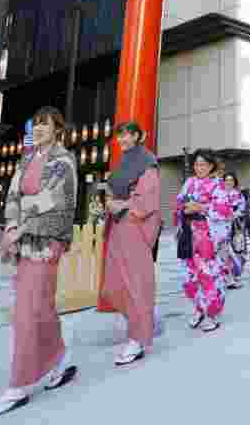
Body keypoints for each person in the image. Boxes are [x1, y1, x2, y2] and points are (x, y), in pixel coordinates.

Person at [0, 107, 79, 417]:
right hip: (24, 240)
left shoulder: (64, 160)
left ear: (58, 129)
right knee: (41, 307)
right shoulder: (26, 159)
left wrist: (20, 223)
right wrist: (11, 225)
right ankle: (58, 360)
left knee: (27, 310)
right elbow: (12, 194)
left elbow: (55, 199)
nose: (39, 129)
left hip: (46, 240)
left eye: (45, 124)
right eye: (35, 124)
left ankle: (19, 384)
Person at [101, 121, 161, 367]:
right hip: (118, 225)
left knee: (136, 282)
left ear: (138, 136)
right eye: (120, 135)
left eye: (128, 134)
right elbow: (113, 192)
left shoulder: (147, 161)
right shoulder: (124, 161)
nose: (123, 139)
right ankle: (143, 321)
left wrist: (122, 205)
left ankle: (137, 338)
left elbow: (148, 198)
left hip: (135, 226)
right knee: (115, 284)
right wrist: (109, 201)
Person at [175, 149, 233, 332]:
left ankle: (212, 313)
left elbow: (224, 210)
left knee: (208, 274)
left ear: (211, 166)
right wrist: (183, 208)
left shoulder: (218, 185)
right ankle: (199, 308)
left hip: (207, 235)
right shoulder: (189, 182)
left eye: (203, 164)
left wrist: (200, 207)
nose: (199, 168)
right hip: (188, 233)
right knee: (189, 276)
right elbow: (178, 203)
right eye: (197, 164)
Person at [222, 172, 247, 290]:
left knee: (238, 251)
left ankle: (236, 277)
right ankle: (229, 278)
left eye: (231, 180)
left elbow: (242, 210)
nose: (229, 182)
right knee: (225, 253)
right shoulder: (219, 195)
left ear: (235, 182)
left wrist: (234, 214)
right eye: (226, 180)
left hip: (236, 227)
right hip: (222, 227)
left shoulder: (239, 195)